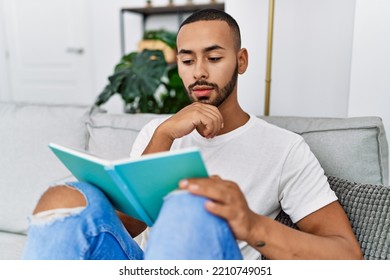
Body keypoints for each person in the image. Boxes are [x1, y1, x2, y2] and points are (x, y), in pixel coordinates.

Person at [22, 9, 362, 260]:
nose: (199, 72)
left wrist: (251, 225)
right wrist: (164, 135)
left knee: (189, 203)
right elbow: (128, 228)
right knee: (62, 197)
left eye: (214, 57)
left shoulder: (285, 148)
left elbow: (347, 255)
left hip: (213, 261)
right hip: (144, 264)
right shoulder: (158, 133)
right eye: (187, 61)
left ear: (241, 61)